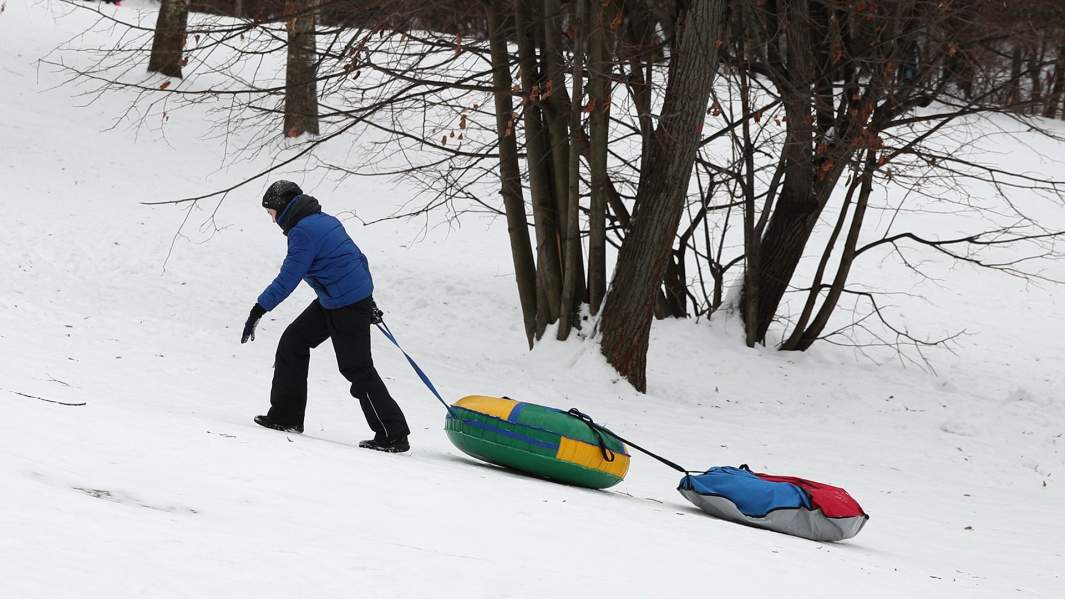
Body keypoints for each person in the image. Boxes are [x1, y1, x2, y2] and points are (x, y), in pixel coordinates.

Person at [241, 180, 411, 453]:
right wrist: (367, 298)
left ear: (283, 208)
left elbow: (289, 278)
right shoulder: (322, 220)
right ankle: (286, 417)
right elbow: (357, 258)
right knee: (293, 342)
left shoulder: (303, 232)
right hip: (336, 299)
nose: (271, 218)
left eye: (271, 212)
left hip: (345, 304)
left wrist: (259, 308)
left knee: (357, 368)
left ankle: (393, 434)